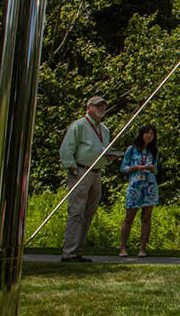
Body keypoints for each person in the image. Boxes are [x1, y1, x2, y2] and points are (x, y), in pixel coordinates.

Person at [58, 96, 117, 262]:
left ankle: (77, 250)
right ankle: (69, 251)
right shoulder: (79, 126)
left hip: (97, 172)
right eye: (98, 106)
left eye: (103, 106)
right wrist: (72, 168)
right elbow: (67, 148)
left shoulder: (104, 130)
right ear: (89, 107)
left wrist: (109, 157)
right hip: (81, 170)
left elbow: (102, 149)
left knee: (89, 212)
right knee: (76, 210)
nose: (101, 109)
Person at [119, 124, 159, 257]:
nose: (149, 136)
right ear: (142, 134)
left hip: (149, 187)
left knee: (146, 218)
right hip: (135, 185)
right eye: (147, 133)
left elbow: (156, 169)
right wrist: (135, 167)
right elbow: (123, 168)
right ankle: (123, 248)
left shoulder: (154, 151)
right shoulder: (132, 149)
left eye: (152, 134)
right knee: (129, 217)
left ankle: (142, 249)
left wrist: (152, 168)